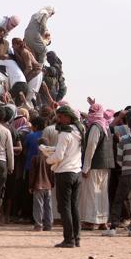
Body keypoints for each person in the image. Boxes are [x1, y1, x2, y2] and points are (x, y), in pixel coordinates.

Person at [46, 105, 83, 248]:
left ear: (68, 117)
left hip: (64, 173)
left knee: (65, 207)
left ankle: (69, 239)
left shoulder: (64, 134)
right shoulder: (79, 131)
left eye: (61, 117)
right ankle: (76, 238)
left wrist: (48, 159)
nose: (59, 120)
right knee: (74, 207)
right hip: (76, 172)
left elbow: (59, 156)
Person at [80, 102, 114, 231]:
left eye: (91, 111)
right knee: (101, 193)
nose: (89, 113)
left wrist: (86, 167)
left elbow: (90, 148)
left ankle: (90, 221)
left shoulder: (95, 127)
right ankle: (102, 221)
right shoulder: (105, 125)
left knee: (92, 193)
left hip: (94, 166)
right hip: (105, 165)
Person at [29, 137, 55, 232]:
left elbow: (32, 174)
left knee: (38, 206)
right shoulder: (50, 159)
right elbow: (52, 173)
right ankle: (48, 225)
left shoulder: (35, 158)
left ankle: (38, 225)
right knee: (48, 206)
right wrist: (52, 184)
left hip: (38, 185)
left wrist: (30, 186)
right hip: (48, 186)